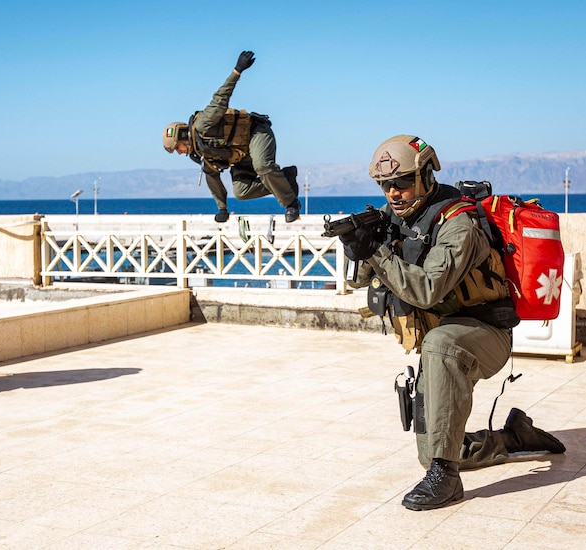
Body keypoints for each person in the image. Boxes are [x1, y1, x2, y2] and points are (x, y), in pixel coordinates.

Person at [338, 135, 566, 511]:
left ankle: (447, 480)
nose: (393, 193)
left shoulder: (458, 224)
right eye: (385, 185)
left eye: (402, 182)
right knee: (434, 451)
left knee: (439, 346)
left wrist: (377, 251)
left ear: (426, 174)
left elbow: (427, 291)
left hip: (486, 333)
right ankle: (512, 439)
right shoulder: (398, 215)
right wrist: (359, 249)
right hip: (447, 335)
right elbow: (361, 280)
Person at [163, 50, 302, 223]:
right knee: (241, 192)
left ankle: (291, 203)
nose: (179, 152)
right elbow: (213, 180)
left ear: (182, 137)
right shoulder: (200, 153)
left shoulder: (203, 125)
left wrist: (237, 71)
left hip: (256, 133)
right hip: (243, 155)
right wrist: (222, 208)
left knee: (262, 166)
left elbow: (220, 97)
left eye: (178, 148)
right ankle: (285, 178)